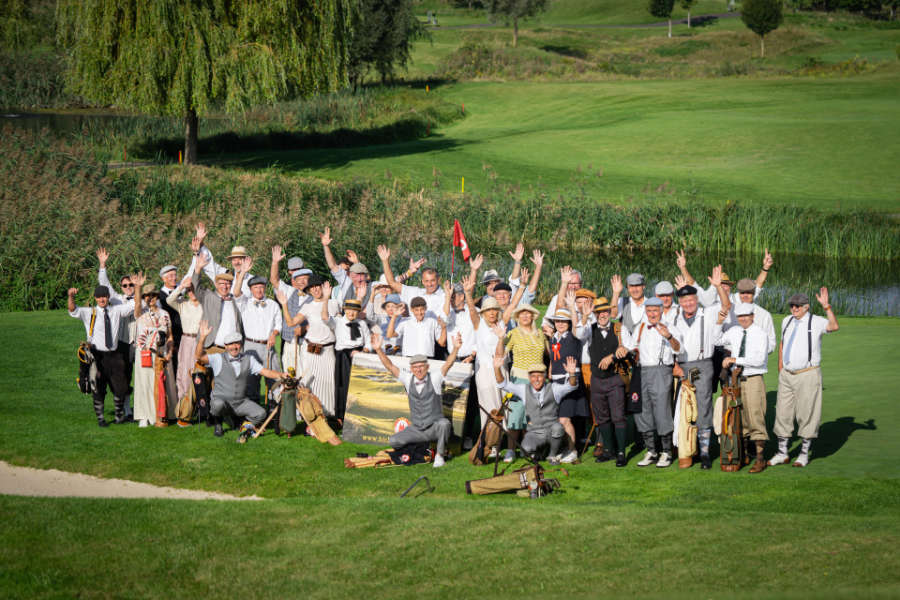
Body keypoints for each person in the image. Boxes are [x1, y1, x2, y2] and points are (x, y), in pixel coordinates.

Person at [769, 289, 839, 468]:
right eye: (792, 305)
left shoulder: (816, 321)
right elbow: (783, 343)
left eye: (798, 306)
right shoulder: (786, 321)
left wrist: (827, 307)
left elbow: (833, 326)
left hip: (808, 374)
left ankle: (803, 454)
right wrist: (780, 367)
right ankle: (782, 453)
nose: (794, 308)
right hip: (786, 375)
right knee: (782, 414)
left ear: (806, 307)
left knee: (807, 414)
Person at [371, 331, 462, 468]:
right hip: (417, 429)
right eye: (415, 367)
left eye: (421, 366)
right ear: (411, 369)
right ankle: (422, 448)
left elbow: (448, 364)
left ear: (427, 367)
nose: (418, 370)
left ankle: (440, 455)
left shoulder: (435, 378)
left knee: (444, 424)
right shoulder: (408, 379)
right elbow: (390, 366)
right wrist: (378, 350)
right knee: (394, 441)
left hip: (434, 427)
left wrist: (455, 348)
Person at [671, 266, 731, 469]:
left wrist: (717, 287)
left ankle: (705, 453)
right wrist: (676, 366)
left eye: (691, 299)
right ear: (680, 302)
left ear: (696, 300)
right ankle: (689, 449)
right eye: (684, 300)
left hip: (703, 364)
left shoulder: (708, 312)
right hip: (681, 366)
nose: (688, 303)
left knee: (703, 406)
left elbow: (726, 305)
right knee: (684, 408)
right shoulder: (675, 317)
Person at [194, 322, 289, 438]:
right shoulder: (218, 358)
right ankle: (218, 422)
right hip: (221, 401)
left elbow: (266, 372)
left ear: (241, 344)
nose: (234, 347)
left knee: (261, 413)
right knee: (218, 405)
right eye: (231, 344)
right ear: (225, 346)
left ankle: (244, 424)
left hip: (240, 403)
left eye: (237, 343)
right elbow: (199, 356)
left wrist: (281, 375)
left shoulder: (249, 359)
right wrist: (203, 337)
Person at [68, 278, 139, 427]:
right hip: (97, 356)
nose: (102, 299)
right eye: (99, 297)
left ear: (108, 297)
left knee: (121, 387)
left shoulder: (116, 310)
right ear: (95, 298)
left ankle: (119, 416)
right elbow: (73, 310)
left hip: (114, 355)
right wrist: (71, 297)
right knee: (98, 388)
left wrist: (137, 288)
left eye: (104, 296)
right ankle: (101, 418)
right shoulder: (89, 313)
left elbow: (135, 304)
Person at [621, 296, 682, 468]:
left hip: (661, 371)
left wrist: (669, 336)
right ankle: (651, 451)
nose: (652, 314)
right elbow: (633, 346)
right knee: (643, 410)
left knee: (662, 411)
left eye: (655, 310)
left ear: (661, 310)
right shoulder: (641, 326)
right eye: (649, 311)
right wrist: (625, 348)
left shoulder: (670, 327)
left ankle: (667, 452)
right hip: (642, 371)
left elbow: (679, 348)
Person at [494, 355, 579, 465]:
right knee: (527, 450)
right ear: (529, 378)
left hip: (551, 431)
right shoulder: (523, 389)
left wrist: (572, 374)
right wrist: (496, 369)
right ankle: (540, 452)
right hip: (534, 432)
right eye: (533, 376)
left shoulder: (553, 388)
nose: (536, 379)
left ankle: (552, 455)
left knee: (557, 428)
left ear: (544, 377)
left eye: (539, 376)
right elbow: (503, 384)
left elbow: (571, 386)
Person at [576, 296, 630, 467]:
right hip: (597, 380)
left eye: (605, 311)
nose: (602, 315)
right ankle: (608, 450)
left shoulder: (619, 329)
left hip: (615, 378)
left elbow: (630, 348)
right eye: (598, 312)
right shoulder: (589, 329)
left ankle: (621, 452)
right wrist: (584, 316)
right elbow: (578, 334)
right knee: (602, 417)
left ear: (610, 312)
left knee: (618, 416)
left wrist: (613, 356)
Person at [277, 275, 340, 417]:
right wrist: (285, 305)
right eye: (312, 288)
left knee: (329, 384)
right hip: (311, 350)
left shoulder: (334, 304)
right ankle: (312, 416)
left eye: (317, 286)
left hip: (328, 350)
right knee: (310, 384)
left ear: (323, 287)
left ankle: (329, 416)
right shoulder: (307, 306)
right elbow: (291, 323)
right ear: (309, 291)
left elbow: (339, 323)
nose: (315, 289)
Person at [721, 302, 770, 473]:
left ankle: (760, 459)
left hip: (753, 378)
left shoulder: (760, 334)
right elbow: (715, 340)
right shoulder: (734, 331)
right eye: (740, 316)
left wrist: (735, 360)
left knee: (755, 416)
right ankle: (743, 456)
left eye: (746, 316)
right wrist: (718, 322)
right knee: (739, 418)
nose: (743, 319)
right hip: (736, 380)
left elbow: (758, 360)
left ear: (752, 316)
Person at [501, 300, 547, 462]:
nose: (526, 316)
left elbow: (547, 354)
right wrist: (500, 341)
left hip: (538, 380)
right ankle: (511, 450)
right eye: (522, 314)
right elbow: (502, 350)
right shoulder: (513, 333)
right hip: (519, 378)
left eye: (528, 313)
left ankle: (528, 449)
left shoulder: (540, 333)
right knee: (516, 415)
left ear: (533, 317)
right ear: (518, 317)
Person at [95, 247, 138, 421]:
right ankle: (127, 411)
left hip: (139, 343)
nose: (128, 287)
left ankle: (144, 409)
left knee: (143, 377)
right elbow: (104, 284)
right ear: (121, 287)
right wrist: (102, 265)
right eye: (125, 285)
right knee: (124, 377)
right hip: (121, 343)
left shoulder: (141, 298)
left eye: (131, 285)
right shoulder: (117, 299)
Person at [233, 267, 282, 406]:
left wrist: (273, 334)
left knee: (273, 378)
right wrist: (242, 273)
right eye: (256, 287)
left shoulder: (273, 305)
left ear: (265, 288)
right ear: (251, 289)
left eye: (261, 287)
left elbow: (278, 324)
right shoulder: (245, 303)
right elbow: (236, 292)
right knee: (251, 379)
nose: (259, 290)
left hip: (268, 345)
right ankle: (254, 414)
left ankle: (273, 411)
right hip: (250, 346)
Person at [546, 303, 587, 464]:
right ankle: (563, 449)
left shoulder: (573, 337)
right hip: (555, 382)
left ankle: (572, 450)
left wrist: (572, 308)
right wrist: (550, 369)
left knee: (564, 419)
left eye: (564, 321)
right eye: (557, 321)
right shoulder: (554, 338)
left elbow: (578, 329)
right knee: (557, 420)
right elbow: (553, 358)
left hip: (569, 380)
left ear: (569, 322)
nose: (560, 323)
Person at [133, 283, 177, 427]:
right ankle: (144, 416)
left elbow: (170, 336)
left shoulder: (165, 314)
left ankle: (165, 414)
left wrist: (170, 352)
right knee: (144, 382)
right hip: (145, 352)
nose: (150, 298)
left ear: (157, 296)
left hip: (162, 352)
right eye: (147, 296)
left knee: (164, 383)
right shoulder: (141, 314)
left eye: (153, 295)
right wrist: (138, 288)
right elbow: (137, 305)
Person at [164, 274, 204, 420]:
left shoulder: (204, 305)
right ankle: (183, 408)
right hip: (186, 340)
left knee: (199, 374)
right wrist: (181, 286)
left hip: (200, 341)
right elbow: (169, 300)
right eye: (189, 290)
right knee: (183, 374)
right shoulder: (182, 304)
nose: (192, 292)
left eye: (194, 289)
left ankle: (201, 409)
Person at [328, 298, 371, 423]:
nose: (351, 313)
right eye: (349, 310)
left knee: (359, 386)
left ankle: (358, 415)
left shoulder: (362, 324)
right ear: (344, 310)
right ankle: (341, 416)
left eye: (355, 311)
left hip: (359, 355)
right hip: (343, 357)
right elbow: (325, 319)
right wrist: (326, 298)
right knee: (343, 386)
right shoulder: (337, 321)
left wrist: (364, 352)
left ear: (358, 312)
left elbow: (368, 341)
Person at [191, 252, 243, 352]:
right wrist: (197, 269)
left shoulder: (235, 301)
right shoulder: (208, 296)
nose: (225, 286)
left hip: (232, 350)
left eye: (228, 283)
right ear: (216, 284)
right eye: (222, 283)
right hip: (212, 347)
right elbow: (195, 287)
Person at [191, 222, 254, 297]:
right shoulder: (225, 274)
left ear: (246, 260)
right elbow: (207, 262)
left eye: (240, 259)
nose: (237, 262)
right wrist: (200, 242)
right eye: (234, 260)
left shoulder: (252, 280)